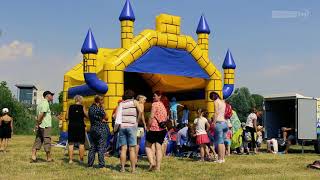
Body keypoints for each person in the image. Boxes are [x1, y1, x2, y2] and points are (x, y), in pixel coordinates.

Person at [116, 90, 142, 173]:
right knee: (132, 149)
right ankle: (133, 169)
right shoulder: (134, 102)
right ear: (132, 96)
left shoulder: (122, 104)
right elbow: (141, 111)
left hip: (122, 127)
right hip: (131, 127)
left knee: (123, 149)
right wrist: (137, 121)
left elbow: (116, 116)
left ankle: (122, 168)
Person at [145, 91, 168, 171]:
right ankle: (158, 168)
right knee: (158, 148)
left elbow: (151, 117)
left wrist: (148, 127)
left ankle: (152, 163)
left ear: (159, 96)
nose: (153, 97)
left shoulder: (154, 104)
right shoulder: (162, 105)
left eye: (154, 96)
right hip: (162, 129)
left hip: (154, 128)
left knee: (147, 146)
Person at [31, 91, 54, 162]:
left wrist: (37, 124)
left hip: (41, 125)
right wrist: (39, 122)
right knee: (47, 140)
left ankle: (33, 156)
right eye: (51, 95)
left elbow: (37, 115)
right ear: (47, 96)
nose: (52, 97)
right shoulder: (45, 103)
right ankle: (48, 158)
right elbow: (42, 114)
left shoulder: (40, 104)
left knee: (38, 139)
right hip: (45, 125)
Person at [88, 95, 109, 169]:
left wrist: (101, 119)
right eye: (102, 100)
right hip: (101, 129)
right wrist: (103, 108)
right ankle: (101, 165)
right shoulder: (99, 109)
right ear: (99, 101)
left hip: (93, 129)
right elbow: (106, 117)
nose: (103, 101)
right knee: (101, 147)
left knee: (92, 147)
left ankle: (90, 164)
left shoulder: (90, 108)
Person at [67, 95, 88, 164]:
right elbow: (87, 115)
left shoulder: (70, 107)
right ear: (81, 100)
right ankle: (81, 160)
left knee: (71, 143)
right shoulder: (82, 107)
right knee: (81, 143)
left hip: (71, 126)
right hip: (80, 126)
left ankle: (70, 160)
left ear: (75, 100)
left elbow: (66, 117)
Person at [210, 91, 228, 163]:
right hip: (224, 123)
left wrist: (213, 122)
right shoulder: (223, 102)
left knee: (219, 142)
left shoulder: (216, 102)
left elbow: (216, 112)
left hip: (219, 123)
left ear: (213, 97)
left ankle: (220, 159)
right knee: (222, 142)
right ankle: (222, 158)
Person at [136, 95, 147, 165]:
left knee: (134, 142)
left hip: (133, 124)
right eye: (144, 99)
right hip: (139, 125)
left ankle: (133, 156)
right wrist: (144, 124)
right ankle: (135, 158)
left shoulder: (135, 104)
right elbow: (141, 114)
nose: (145, 101)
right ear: (140, 99)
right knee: (138, 142)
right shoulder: (141, 105)